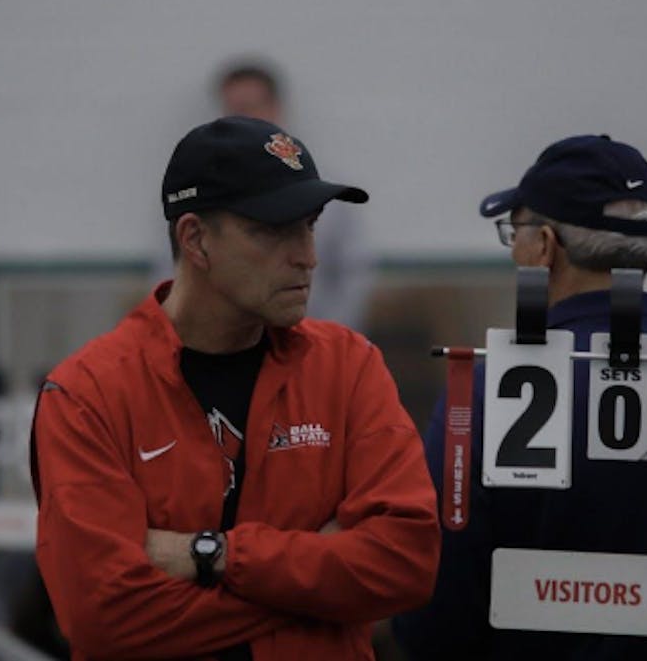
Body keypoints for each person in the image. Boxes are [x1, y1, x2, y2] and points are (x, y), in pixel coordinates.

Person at [30, 116, 440, 660]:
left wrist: (213, 554)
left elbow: (404, 565)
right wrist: (320, 586)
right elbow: (102, 618)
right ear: (195, 238)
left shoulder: (347, 366)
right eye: (274, 229)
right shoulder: (87, 394)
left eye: (310, 225)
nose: (308, 256)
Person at [393, 135, 647, 660]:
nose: (514, 249)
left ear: (543, 246)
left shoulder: (486, 393)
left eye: (514, 231)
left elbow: (438, 609)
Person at [216, 60, 375, 331]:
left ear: (276, 108)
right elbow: (174, 270)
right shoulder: (205, 190)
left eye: (250, 107)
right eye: (233, 111)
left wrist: (330, 342)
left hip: (312, 343)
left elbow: (353, 272)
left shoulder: (326, 190)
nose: (242, 120)